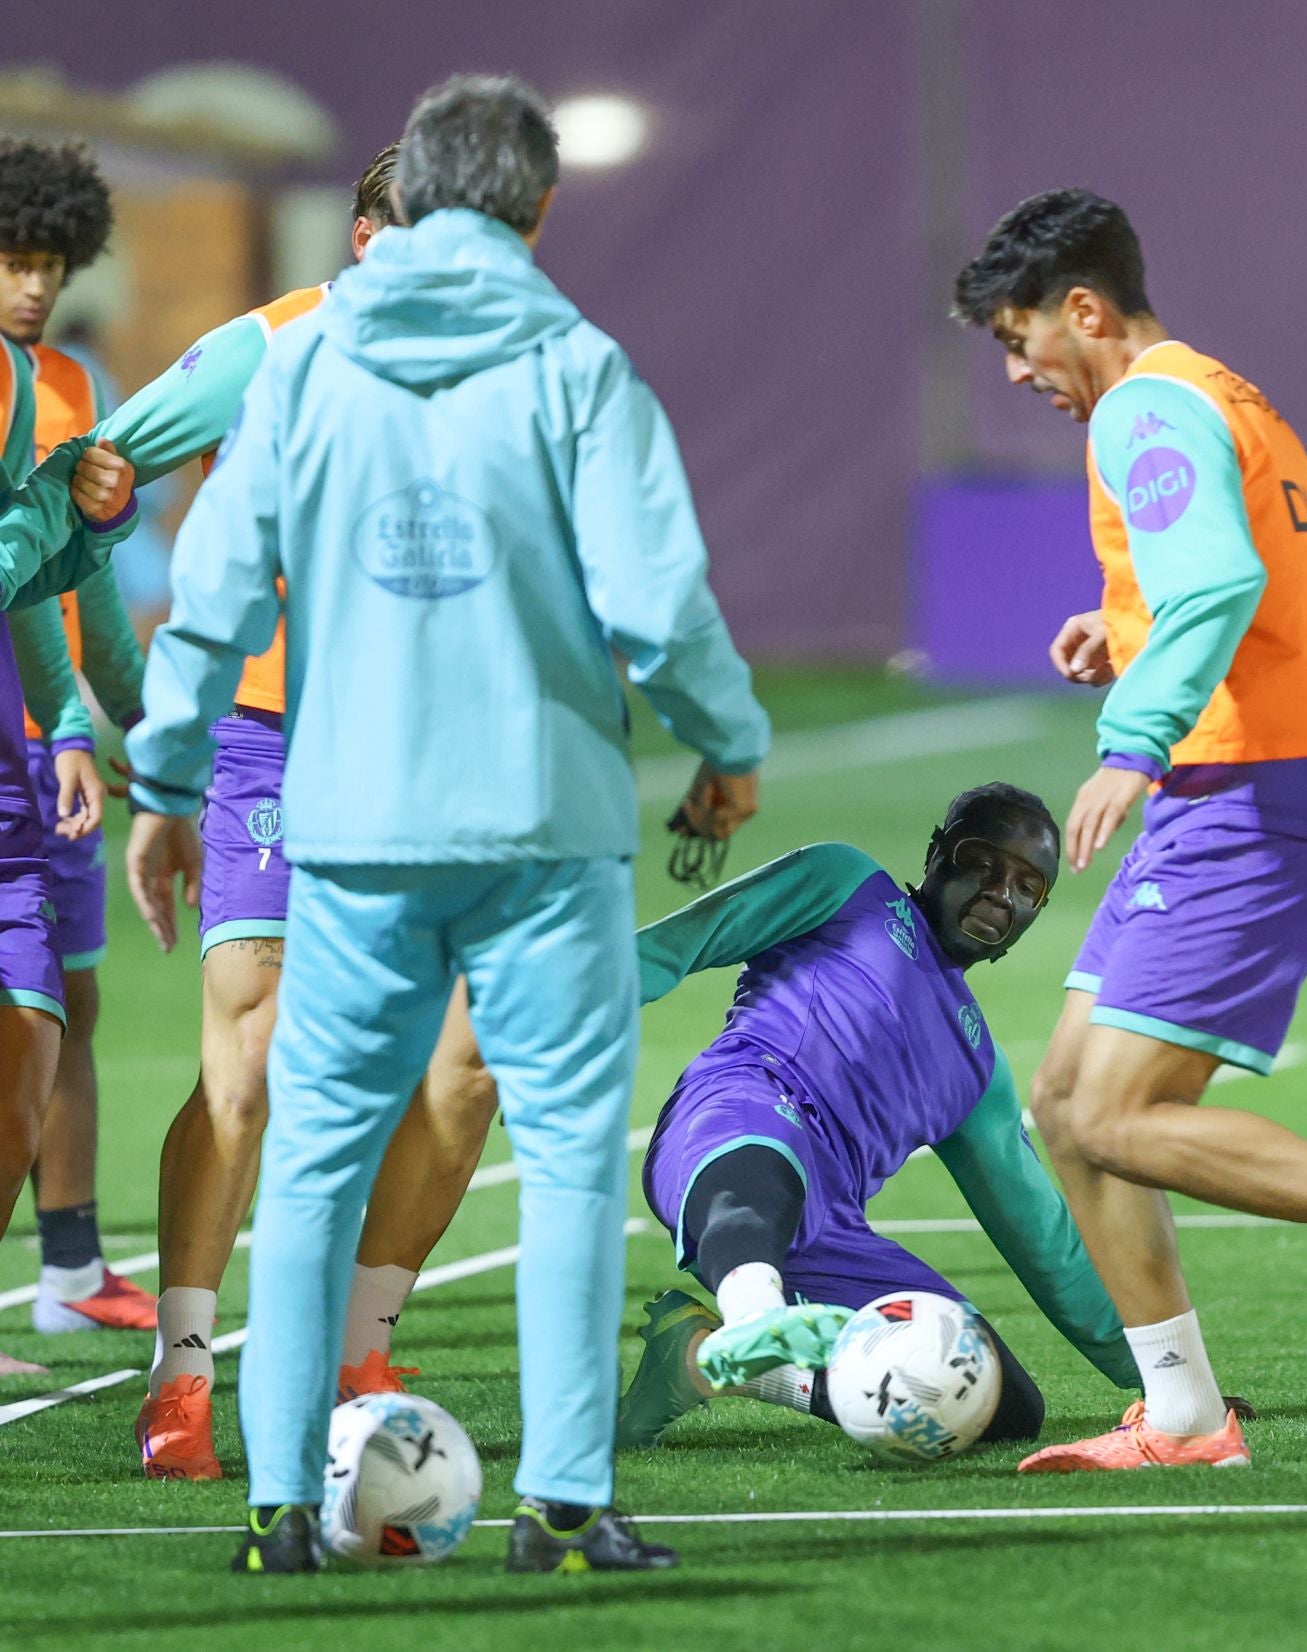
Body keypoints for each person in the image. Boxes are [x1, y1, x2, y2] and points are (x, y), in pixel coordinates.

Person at [124, 74, 767, 1574]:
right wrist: (726, 744)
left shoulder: (305, 361)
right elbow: (659, 600)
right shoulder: (578, 365)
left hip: (348, 816)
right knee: (559, 1158)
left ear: (404, 202)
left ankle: (280, 1506)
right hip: (543, 825)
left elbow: (209, 587)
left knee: (311, 1158)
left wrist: (163, 780)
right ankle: (562, 1504)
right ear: (538, 207)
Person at [954, 189, 1307, 1473]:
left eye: (1019, 333)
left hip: (1246, 794)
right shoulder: (1230, 394)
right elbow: (1282, 587)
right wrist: (1135, 632)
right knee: (1064, 1102)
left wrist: (1132, 738)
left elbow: (1217, 577)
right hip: (1251, 782)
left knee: (1116, 1113)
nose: (1017, 368)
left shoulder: (1145, 407)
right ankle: (1186, 1415)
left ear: (1083, 309)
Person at [27, 143, 498, 1481]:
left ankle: (360, 1350)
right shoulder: (269, 346)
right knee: (259, 1058)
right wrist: (97, 654)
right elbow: (90, 474)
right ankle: (182, 1377)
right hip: (275, 739)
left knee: (468, 1066)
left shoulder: (519, 365)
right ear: (363, 240)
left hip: (446, 755)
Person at [616, 786, 1139, 1452]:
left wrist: (1156, 1374)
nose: (1002, 892)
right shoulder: (844, 882)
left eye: (1028, 886)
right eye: (985, 862)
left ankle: (708, 1360)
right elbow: (680, 943)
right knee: (767, 1172)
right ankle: (754, 1316)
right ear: (937, 855)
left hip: (831, 1227)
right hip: (736, 1115)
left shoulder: (978, 1068)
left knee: (994, 1403)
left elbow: (1045, 1241)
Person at [0, 139, 160, 1343]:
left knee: (62, 1011)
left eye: (49, 260)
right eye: (13, 258)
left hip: (33, 753)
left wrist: (124, 721)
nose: (34, 282)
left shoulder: (58, 386)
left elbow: (61, 581)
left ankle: (67, 1261)